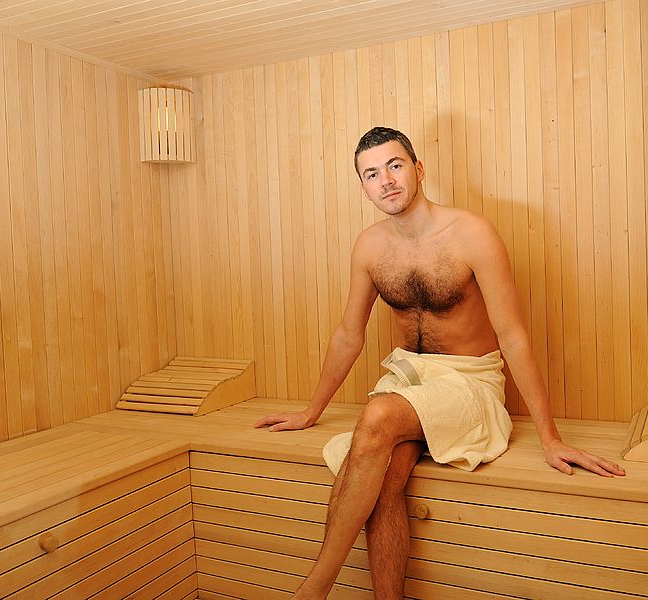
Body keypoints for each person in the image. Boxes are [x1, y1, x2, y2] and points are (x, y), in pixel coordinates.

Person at [254, 126, 625, 598]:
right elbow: (349, 336)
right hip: (409, 382)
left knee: (379, 414)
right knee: (385, 478)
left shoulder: (471, 234)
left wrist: (550, 439)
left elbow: (513, 336)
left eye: (395, 165)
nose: (385, 180)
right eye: (372, 174)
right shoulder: (369, 248)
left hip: (469, 385)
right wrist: (310, 412)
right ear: (363, 187)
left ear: (418, 169)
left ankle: (313, 589)